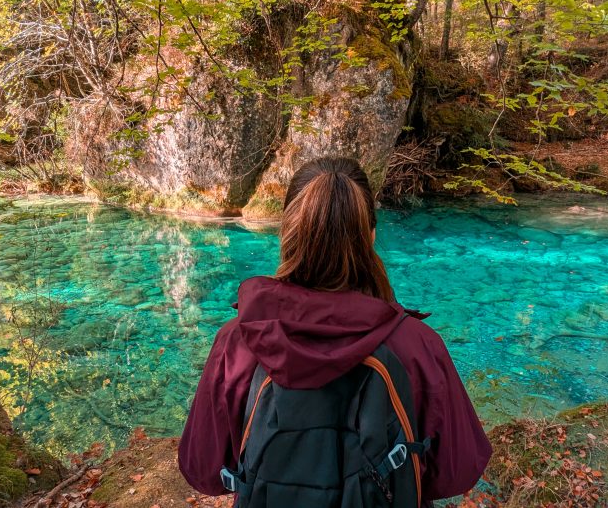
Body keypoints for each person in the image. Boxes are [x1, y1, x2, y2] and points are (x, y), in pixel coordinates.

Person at [179, 157, 491, 506]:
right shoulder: (417, 344)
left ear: (286, 234)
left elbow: (202, 470)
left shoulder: (238, 341)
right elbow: (457, 471)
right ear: (371, 235)